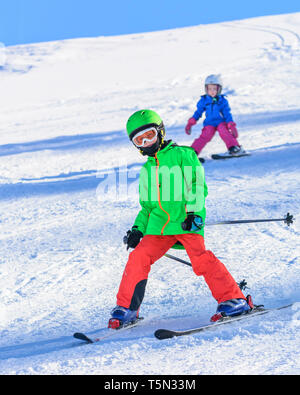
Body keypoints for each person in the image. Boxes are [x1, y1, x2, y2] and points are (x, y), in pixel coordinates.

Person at [108, 109, 253, 329]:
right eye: (140, 140)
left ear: (161, 131)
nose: (147, 142)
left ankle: (233, 299)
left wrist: (194, 214)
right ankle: (127, 308)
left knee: (201, 259)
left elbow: (197, 186)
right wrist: (138, 229)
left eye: (150, 135)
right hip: (159, 228)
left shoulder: (183, 155)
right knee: (139, 257)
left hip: (186, 222)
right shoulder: (147, 169)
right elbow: (147, 207)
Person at [185, 75, 245, 157]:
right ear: (206, 89)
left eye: (214, 89)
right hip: (209, 123)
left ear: (219, 89)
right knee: (205, 135)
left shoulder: (223, 101)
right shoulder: (204, 100)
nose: (212, 91)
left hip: (221, 122)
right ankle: (192, 153)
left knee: (224, 131)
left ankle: (234, 148)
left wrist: (231, 125)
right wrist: (191, 123)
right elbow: (198, 113)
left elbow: (227, 114)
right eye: (209, 89)